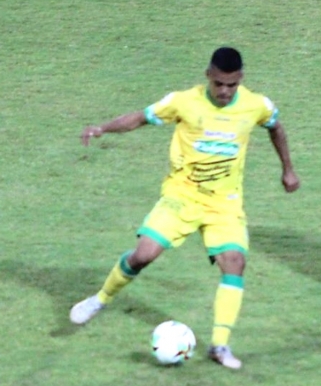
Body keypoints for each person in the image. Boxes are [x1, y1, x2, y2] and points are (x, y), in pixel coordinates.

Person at [70, 47, 300, 369]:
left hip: (224, 203)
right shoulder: (183, 101)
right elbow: (140, 118)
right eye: (219, 84)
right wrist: (103, 128)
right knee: (143, 255)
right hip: (182, 196)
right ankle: (100, 299)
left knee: (234, 263)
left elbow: (276, 127)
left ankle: (220, 345)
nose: (224, 91)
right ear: (208, 75)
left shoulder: (256, 105)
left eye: (231, 85)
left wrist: (288, 169)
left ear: (241, 80)